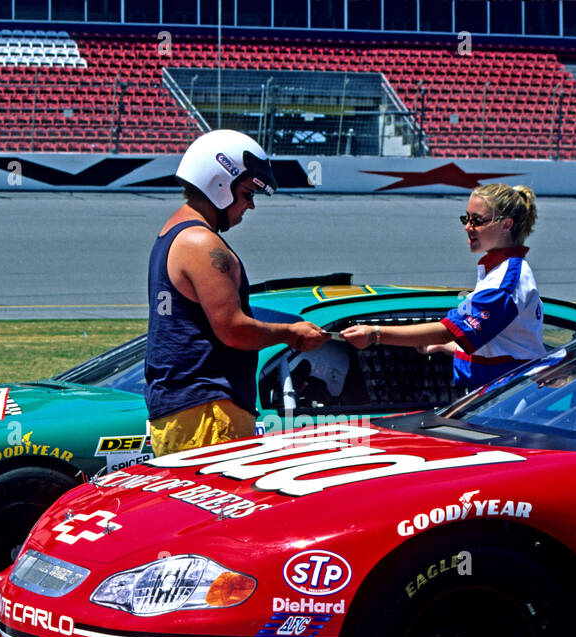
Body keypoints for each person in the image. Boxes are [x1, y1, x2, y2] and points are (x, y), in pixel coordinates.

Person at [145, 129, 327, 456]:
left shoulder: (173, 233)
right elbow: (233, 329)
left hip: (184, 411)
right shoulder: (201, 243)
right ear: (219, 184)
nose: (251, 206)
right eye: (247, 194)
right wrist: (293, 335)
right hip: (209, 415)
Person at [342, 183, 545, 391]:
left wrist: (374, 334)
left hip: (506, 397)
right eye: (466, 218)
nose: (467, 227)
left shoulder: (504, 282)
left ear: (506, 225)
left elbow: (446, 331)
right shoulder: (500, 270)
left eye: (477, 220)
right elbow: (496, 344)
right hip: (498, 393)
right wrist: (445, 347)